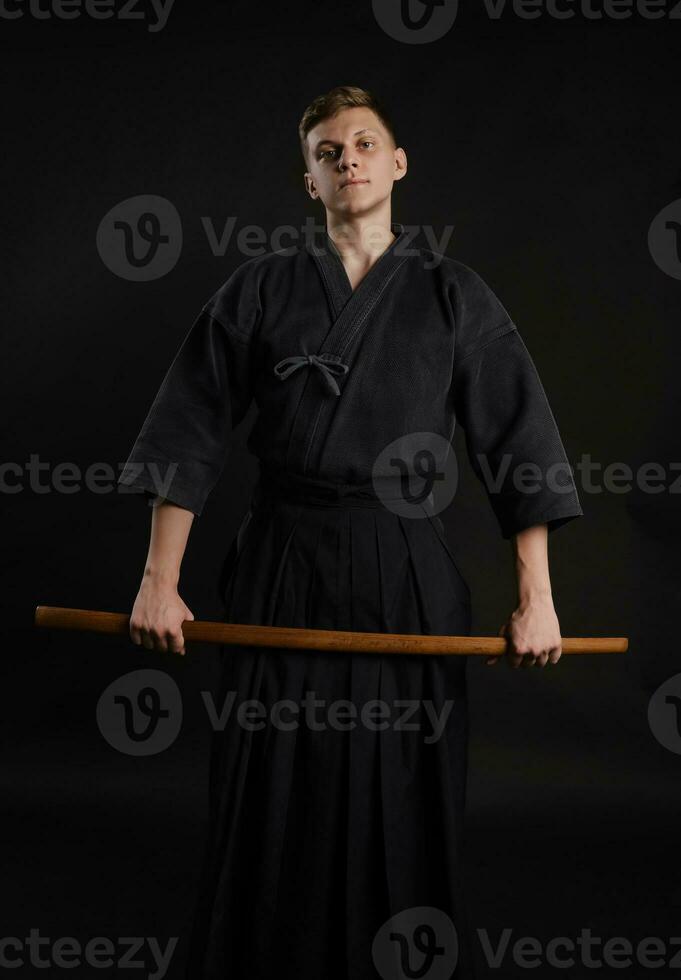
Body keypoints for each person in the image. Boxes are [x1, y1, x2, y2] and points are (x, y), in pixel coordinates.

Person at [117, 85, 583, 980]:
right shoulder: (259, 286)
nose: (350, 161)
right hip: (281, 563)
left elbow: (520, 445)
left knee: (399, 781)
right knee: (271, 773)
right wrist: (158, 580)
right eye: (329, 152)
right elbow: (189, 430)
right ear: (309, 180)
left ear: (398, 162)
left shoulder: (455, 294)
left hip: (406, 570)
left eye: (365, 144)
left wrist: (538, 602)